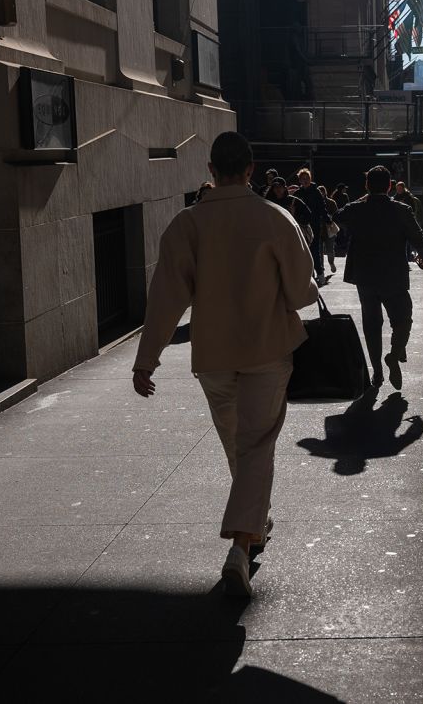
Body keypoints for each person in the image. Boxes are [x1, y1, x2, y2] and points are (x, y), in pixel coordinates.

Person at [132, 131, 319, 598]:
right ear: (251, 169)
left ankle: (254, 520)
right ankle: (240, 545)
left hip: (213, 355)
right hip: (267, 350)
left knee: (239, 444)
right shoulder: (275, 218)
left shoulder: (186, 224)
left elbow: (165, 299)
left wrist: (146, 360)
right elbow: (301, 293)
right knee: (255, 444)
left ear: (211, 171)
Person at [336, 166, 423, 390]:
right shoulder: (402, 209)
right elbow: (420, 238)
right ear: (389, 186)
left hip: (365, 275)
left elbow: (337, 216)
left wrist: (362, 200)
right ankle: (394, 355)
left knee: (372, 323)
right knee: (403, 319)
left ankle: (376, 372)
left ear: (367, 186)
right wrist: (422, 256)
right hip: (393, 274)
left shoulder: (356, 208)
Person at [296, 167, 328, 285]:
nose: (305, 180)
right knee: (304, 251)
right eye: (303, 178)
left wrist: (327, 219)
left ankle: (320, 274)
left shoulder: (316, 191)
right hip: (302, 226)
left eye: (307, 178)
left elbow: (322, 207)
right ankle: (310, 275)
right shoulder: (297, 193)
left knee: (315, 251)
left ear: (310, 179)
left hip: (314, 225)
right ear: (299, 180)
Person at [319, 184, 339, 274]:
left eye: (322, 191)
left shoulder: (331, 202)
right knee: (319, 251)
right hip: (318, 230)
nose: (321, 193)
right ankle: (321, 268)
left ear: (325, 192)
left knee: (330, 249)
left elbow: (336, 214)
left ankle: (331, 263)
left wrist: (330, 218)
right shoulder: (315, 202)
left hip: (329, 229)